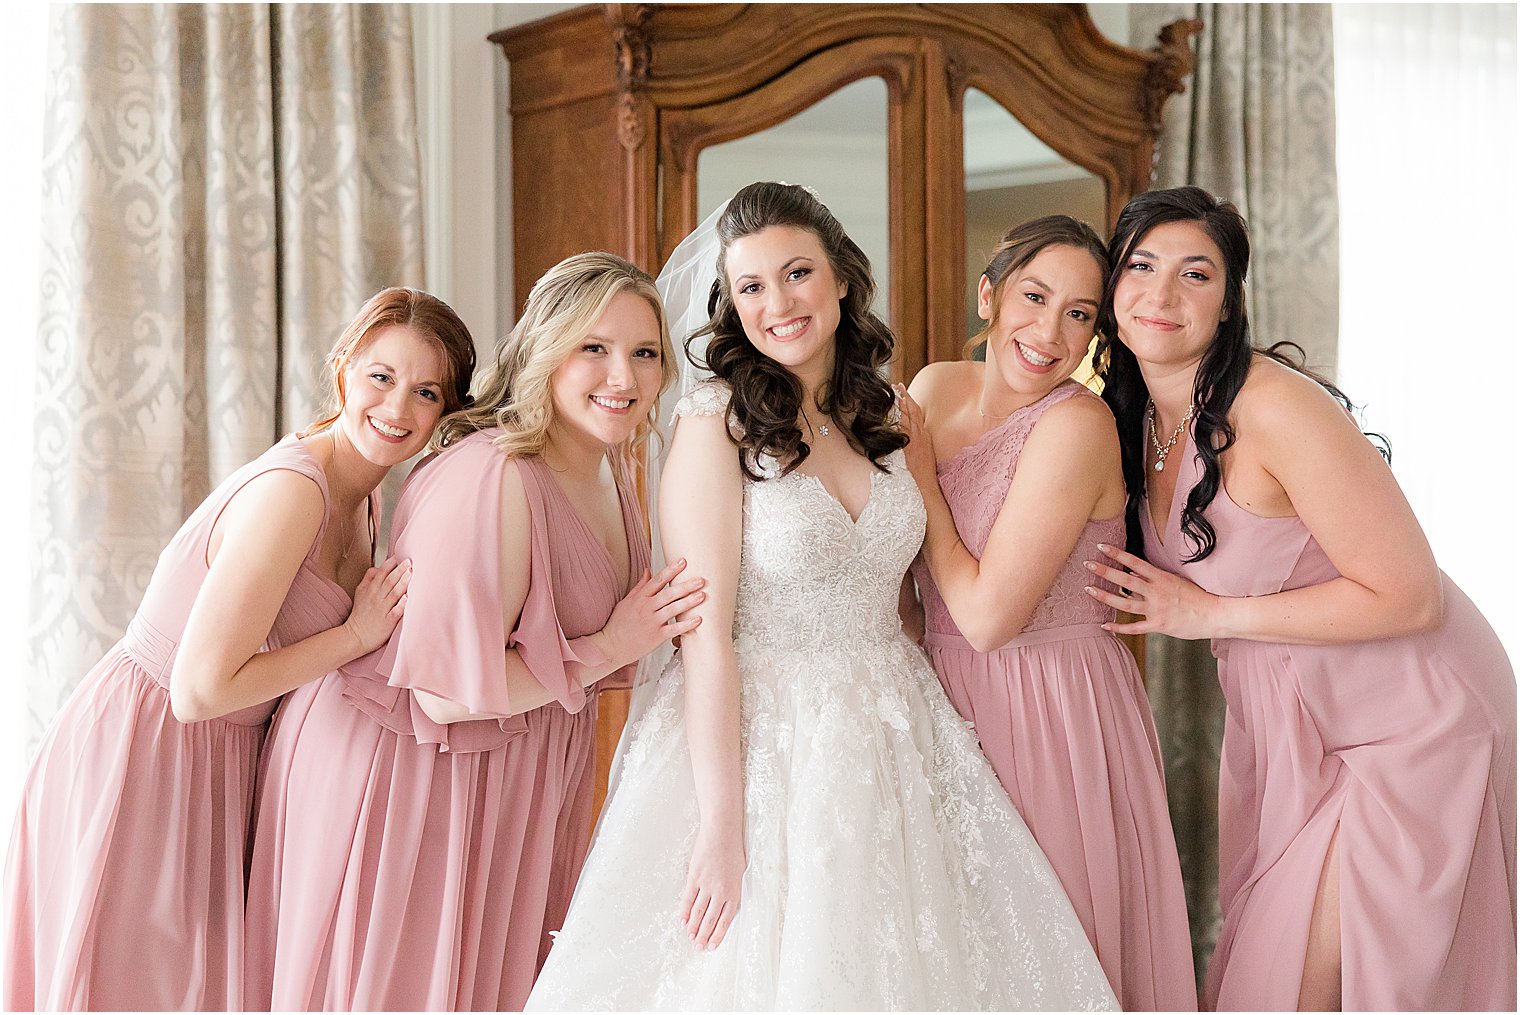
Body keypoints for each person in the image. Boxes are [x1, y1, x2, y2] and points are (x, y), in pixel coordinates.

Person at [525, 182, 1117, 1010]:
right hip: (762, 739)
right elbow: (707, 638)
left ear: (840, 277)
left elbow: (912, 599)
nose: (779, 304)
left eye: (797, 272)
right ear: (731, 305)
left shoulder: (891, 413)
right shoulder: (713, 423)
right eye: (752, 287)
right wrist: (723, 827)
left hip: (896, 728)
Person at [1086, 185, 1516, 1011]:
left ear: (1228, 302)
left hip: (1416, 716)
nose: (1162, 294)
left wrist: (1207, 614)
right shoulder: (1133, 418)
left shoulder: (1276, 407)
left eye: (1196, 274)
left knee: (1307, 985)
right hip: (1287, 729)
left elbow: (1409, 595)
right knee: (1262, 972)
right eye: (1140, 265)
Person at [244, 252, 705, 1011]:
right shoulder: (492, 473)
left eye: (643, 352)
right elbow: (443, 691)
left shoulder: (610, 469)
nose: (621, 376)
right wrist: (612, 647)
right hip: (410, 779)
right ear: (546, 349)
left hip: (514, 778)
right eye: (594, 347)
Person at [2, 287, 477, 1010]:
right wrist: (353, 635)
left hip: (217, 760)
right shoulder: (297, 493)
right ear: (344, 369)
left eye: (426, 392)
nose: (398, 408)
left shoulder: (369, 498)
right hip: (148, 747)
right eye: (381, 376)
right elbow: (199, 689)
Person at [896, 215, 1197, 1010]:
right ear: (990, 295)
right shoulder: (934, 386)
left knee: (1047, 960)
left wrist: (921, 477)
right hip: (941, 699)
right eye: (1035, 296)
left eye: (1080, 314)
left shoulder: (1077, 427)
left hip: (1049, 708)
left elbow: (990, 618)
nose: (1051, 330)